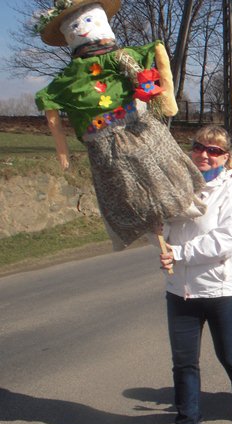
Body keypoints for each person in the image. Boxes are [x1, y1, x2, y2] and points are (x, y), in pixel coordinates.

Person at [34, 0, 205, 251]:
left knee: (162, 165)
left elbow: (153, 58)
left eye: (87, 21)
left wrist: (165, 98)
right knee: (122, 187)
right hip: (102, 139)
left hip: (136, 126)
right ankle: (148, 225)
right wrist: (62, 149)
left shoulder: (120, 57)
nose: (81, 29)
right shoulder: (70, 76)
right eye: (75, 26)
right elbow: (48, 101)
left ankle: (182, 204)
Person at [158, 125, 232, 424]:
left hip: (223, 288)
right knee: (184, 363)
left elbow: (227, 240)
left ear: (226, 157)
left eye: (214, 150)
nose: (204, 154)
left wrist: (180, 253)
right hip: (180, 291)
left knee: (229, 354)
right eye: (199, 147)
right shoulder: (176, 187)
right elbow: (166, 232)